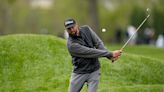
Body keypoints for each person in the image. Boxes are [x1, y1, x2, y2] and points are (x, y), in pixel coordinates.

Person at [64, 18, 122, 92]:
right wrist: (110, 53)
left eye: (73, 27)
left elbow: (98, 43)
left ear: (76, 25)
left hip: (94, 70)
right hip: (80, 72)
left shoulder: (86, 29)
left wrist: (110, 56)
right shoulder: (71, 45)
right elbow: (90, 52)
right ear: (66, 30)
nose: (72, 30)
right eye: (69, 29)